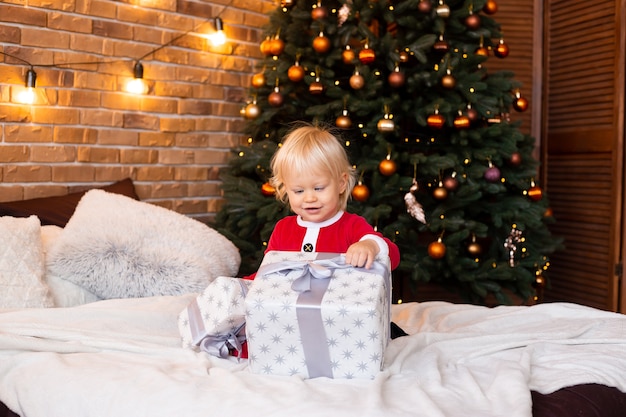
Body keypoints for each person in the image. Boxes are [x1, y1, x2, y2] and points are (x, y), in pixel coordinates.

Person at [261, 123, 400, 271]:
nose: (309, 198)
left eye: (319, 188)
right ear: (286, 188)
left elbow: (394, 257)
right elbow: (268, 272)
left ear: (341, 183)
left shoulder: (351, 226)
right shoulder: (283, 229)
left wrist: (370, 245)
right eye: (298, 191)